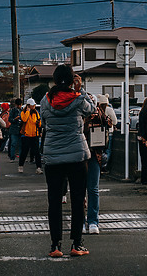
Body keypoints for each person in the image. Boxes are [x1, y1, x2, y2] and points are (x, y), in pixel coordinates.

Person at [40, 64, 95, 258]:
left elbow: (44, 123)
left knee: (54, 201)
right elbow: (92, 110)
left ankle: (55, 245)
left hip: (53, 156)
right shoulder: (79, 99)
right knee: (78, 200)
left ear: (55, 80)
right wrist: (80, 90)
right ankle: (76, 244)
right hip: (77, 156)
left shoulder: (45, 101)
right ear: (72, 81)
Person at [84, 95, 108, 234]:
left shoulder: (99, 115)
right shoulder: (78, 116)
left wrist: (99, 113)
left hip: (94, 154)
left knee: (92, 189)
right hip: (80, 154)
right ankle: (84, 221)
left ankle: (93, 221)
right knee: (82, 189)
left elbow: (109, 123)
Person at [18, 98, 43, 174]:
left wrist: (38, 123)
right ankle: (21, 166)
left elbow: (39, 123)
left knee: (37, 152)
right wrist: (28, 111)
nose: (34, 106)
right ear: (28, 106)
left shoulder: (36, 112)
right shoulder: (23, 112)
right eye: (32, 105)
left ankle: (38, 168)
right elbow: (24, 119)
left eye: (34, 105)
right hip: (26, 135)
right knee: (24, 152)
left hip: (34, 134)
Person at [96, 94, 117, 171]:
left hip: (98, 133)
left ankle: (99, 165)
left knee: (100, 150)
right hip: (109, 132)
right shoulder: (109, 110)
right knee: (108, 150)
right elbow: (115, 121)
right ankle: (105, 166)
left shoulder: (97, 109)